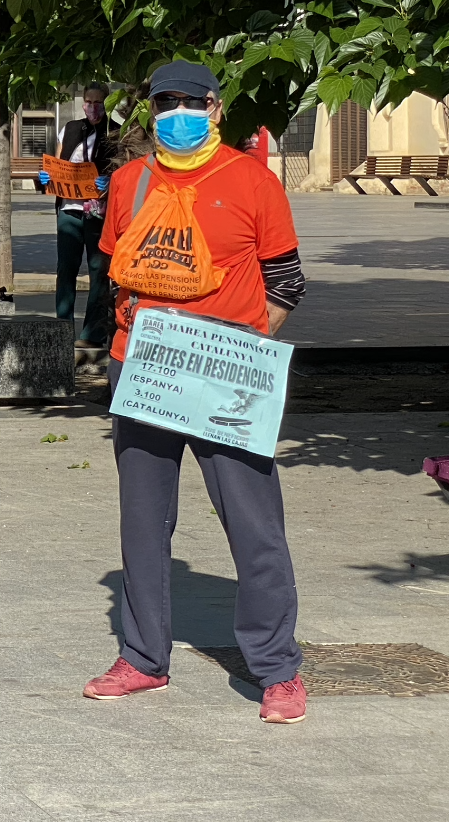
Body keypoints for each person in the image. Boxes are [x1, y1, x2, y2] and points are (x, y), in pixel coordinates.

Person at [85, 60, 310, 724]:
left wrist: (245, 353)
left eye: (191, 102)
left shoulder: (252, 181)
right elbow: (116, 272)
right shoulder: (130, 183)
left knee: (253, 521)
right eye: (165, 103)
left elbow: (287, 281)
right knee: (143, 519)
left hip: (226, 375)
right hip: (143, 370)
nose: (177, 114)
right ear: (151, 112)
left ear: (216, 109)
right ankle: (142, 658)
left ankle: (277, 669)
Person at [37, 85, 116, 349]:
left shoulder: (115, 132)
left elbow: (124, 170)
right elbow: (57, 163)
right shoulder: (71, 129)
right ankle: (62, 328)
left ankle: (93, 334)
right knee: (66, 269)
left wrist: (111, 183)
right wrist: (45, 177)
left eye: (99, 102)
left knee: (98, 271)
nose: (93, 107)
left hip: (98, 214)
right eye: (88, 102)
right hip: (69, 209)